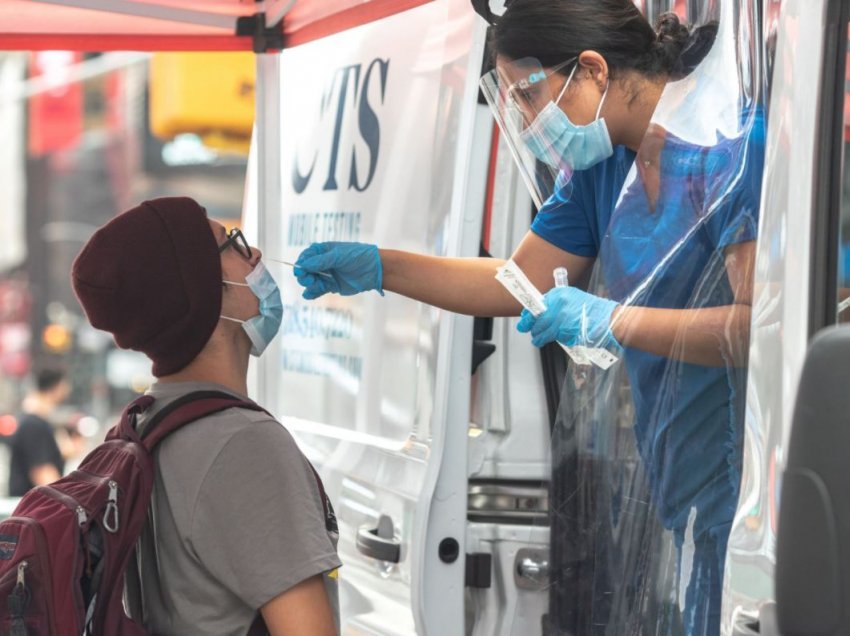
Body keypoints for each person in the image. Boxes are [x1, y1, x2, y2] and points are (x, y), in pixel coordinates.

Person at [293, 1, 764, 634]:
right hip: (670, 481)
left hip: (746, 491)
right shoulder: (605, 171)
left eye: (529, 95)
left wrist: (612, 321)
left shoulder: (729, 148)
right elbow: (516, 282)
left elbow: (756, 326)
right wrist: (384, 267)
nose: (525, 119)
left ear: (592, 69)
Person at [70, 197, 340, 636]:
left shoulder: (139, 427)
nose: (253, 255)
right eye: (232, 243)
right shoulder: (243, 444)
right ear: (201, 290)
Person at [8, 367, 71, 496]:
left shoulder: (38, 422)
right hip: (33, 509)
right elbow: (42, 473)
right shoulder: (34, 424)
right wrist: (66, 500)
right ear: (58, 387)